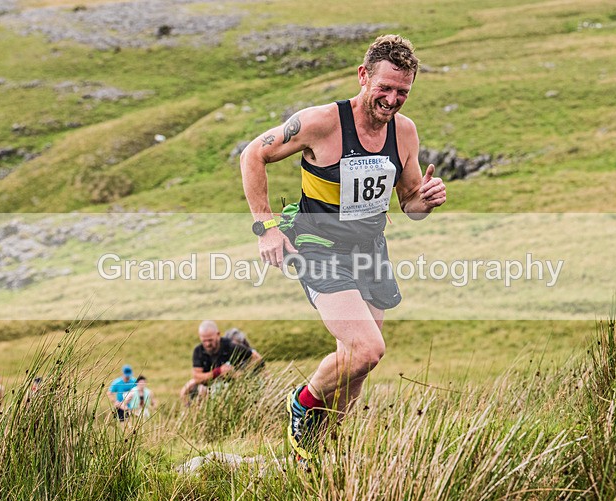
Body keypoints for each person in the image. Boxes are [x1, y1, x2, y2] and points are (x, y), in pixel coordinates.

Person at [240, 35, 446, 461]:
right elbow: (252, 156)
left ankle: (322, 450)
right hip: (318, 246)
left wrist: (422, 201)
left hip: (370, 248)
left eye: (402, 92)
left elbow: (408, 203)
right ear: (363, 76)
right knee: (367, 348)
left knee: (358, 366)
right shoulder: (321, 123)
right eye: (384, 88)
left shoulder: (404, 133)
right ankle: (303, 404)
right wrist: (266, 226)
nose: (392, 100)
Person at [179, 320, 263, 404]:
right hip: (210, 382)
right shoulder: (198, 351)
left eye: (210, 340)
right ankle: (192, 413)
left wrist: (239, 373)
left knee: (203, 390)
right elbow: (197, 377)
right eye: (204, 341)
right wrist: (218, 371)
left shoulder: (230, 346)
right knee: (185, 390)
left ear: (218, 334)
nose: (207, 344)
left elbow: (257, 358)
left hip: (231, 383)